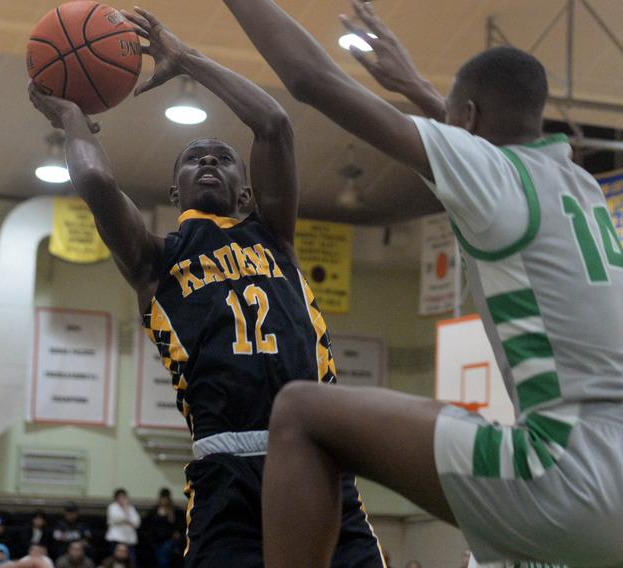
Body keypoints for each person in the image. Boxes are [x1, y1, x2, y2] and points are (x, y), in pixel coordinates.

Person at [220, 1, 623, 566]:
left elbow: (310, 79)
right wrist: (421, 90)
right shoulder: (577, 182)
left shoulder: (496, 176)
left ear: (469, 118)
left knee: (300, 411)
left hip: (580, 472)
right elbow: (475, 144)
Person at [28, 7, 384, 568]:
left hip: (317, 457)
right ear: (175, 192)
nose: (210, 162)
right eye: (195, 159)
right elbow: (96, 181)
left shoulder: (275, 238)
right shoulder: (154, 262)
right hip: (228, 475)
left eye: (223, 159)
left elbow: (273, 124)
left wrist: (187, 58)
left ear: (247, 194)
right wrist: (73, 117)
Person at [141, 489, 183, 568]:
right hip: (155, 540)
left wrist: (177, 532)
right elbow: (147, 525)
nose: (164, 501)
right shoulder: (154, 511)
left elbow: (180, 525)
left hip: (169, 540)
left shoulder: (175, 511)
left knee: (164, 555)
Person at [105, 490, 140, 562]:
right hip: (115, 539)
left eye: (123, 497)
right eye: (119, 497)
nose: (122, 499)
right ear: (116, 498)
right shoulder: (112, 507)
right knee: (114, 561)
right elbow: (115, 518)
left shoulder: (131, 508)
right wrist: (128, 520)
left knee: (131, 561)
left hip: (129, 540)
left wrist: (126, 510)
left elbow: (136, 523)